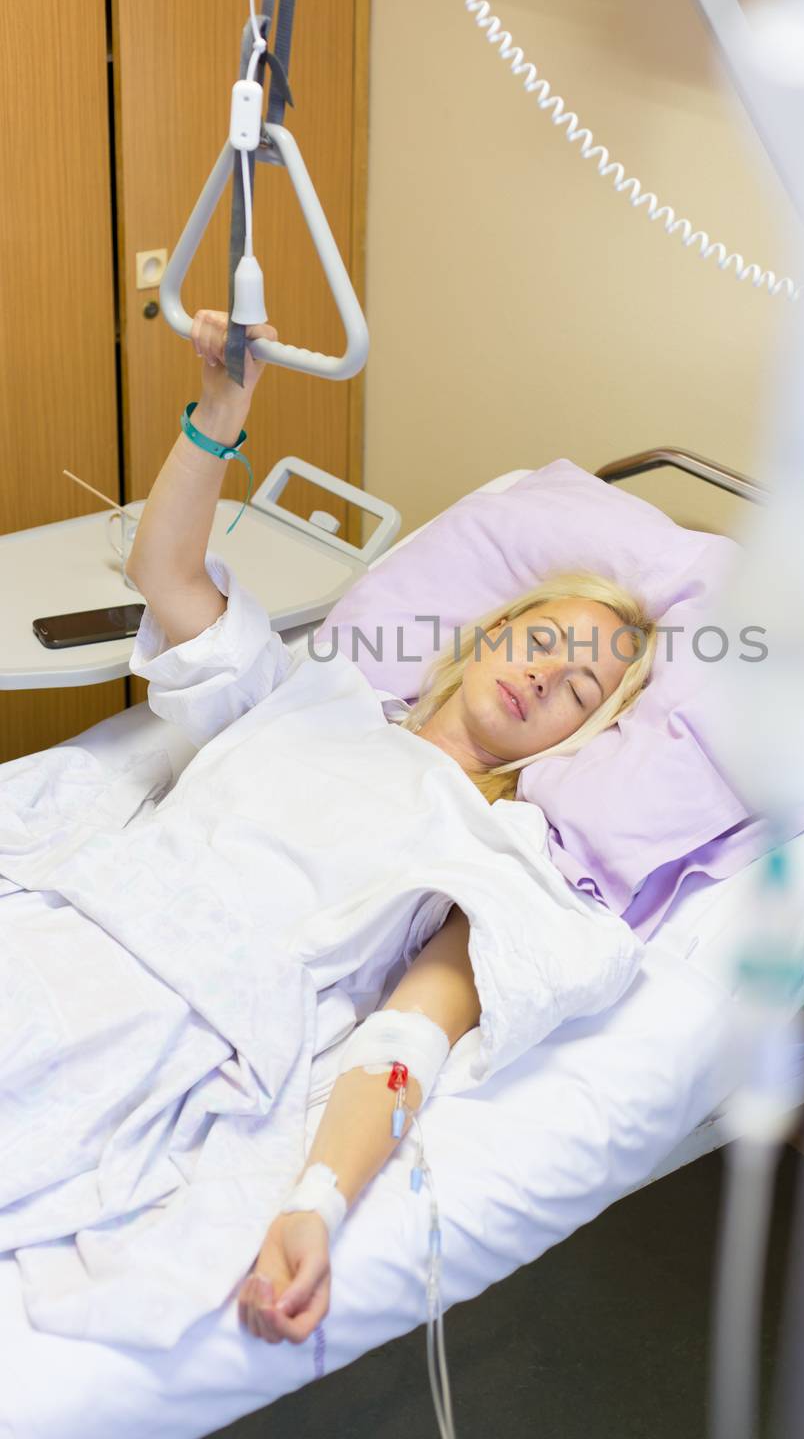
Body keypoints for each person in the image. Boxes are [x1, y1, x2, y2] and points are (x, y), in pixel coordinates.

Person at [122, 311, 658, 1348]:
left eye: (577, 686)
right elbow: (169, 578)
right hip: (91, 912)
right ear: (490, 634)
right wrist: (217, 417)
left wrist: (316, 1202)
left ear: (577, 736)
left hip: (176, 1021)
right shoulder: (309, 693)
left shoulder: (496, 858)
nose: (545, 672)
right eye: (542, 640)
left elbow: (410, 1036)